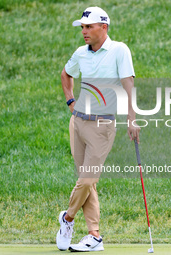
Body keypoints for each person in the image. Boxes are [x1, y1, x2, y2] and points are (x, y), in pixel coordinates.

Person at [56, 6, 141, 252]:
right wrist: (70, 101)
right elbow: (65, 74)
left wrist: (132, 119)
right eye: (82, 27)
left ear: (103, 27)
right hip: (78, 123)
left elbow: (128, 85)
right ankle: (94, 236)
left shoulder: (119, 50)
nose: (84, 32)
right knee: (88, 183)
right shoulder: (81, 53)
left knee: (88, 178)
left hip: (103, 126)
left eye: (89, 27)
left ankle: (67, 218)